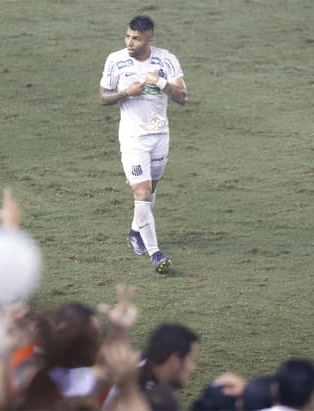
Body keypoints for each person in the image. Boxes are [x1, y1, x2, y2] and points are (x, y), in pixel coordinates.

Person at [99, 15, 187, 273]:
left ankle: (136, 232)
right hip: (133, 138)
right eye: (127, 36)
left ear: (149, 39)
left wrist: (159, 82)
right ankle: (155, 253)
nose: (130, 42)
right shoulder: (115, 60)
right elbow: (103, 98)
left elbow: (182, 97)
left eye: (136, 38)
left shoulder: (166, 60)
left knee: (150, 193)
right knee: (142, 193)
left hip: (159, 136)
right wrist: (127, 92)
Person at [138, 322, 198, 410]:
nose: (192, 368)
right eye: (191, 360)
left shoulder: (132, 364)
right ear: (174, 360)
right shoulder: (161, 402)